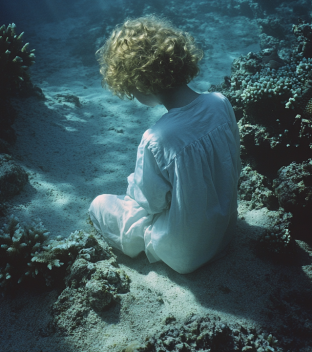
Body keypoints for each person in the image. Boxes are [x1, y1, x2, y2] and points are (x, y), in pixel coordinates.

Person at [89, 15, 241, 274]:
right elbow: (233, 162)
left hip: (185, 253)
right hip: (226, 232)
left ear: (140, 81)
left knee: (100, 204)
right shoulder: (220, 102)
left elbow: (150, 203)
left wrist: (138, 179)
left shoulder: (157, 138)